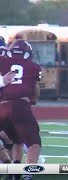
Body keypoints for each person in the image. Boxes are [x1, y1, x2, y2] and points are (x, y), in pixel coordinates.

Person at [0, 39, 42, 180]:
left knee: (17, 140)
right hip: (20, 106)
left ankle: (15, 170)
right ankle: (27, 173)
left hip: (2, 107)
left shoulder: (2, 61)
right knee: (34, 143)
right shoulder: (34, 67)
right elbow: (34, 97)